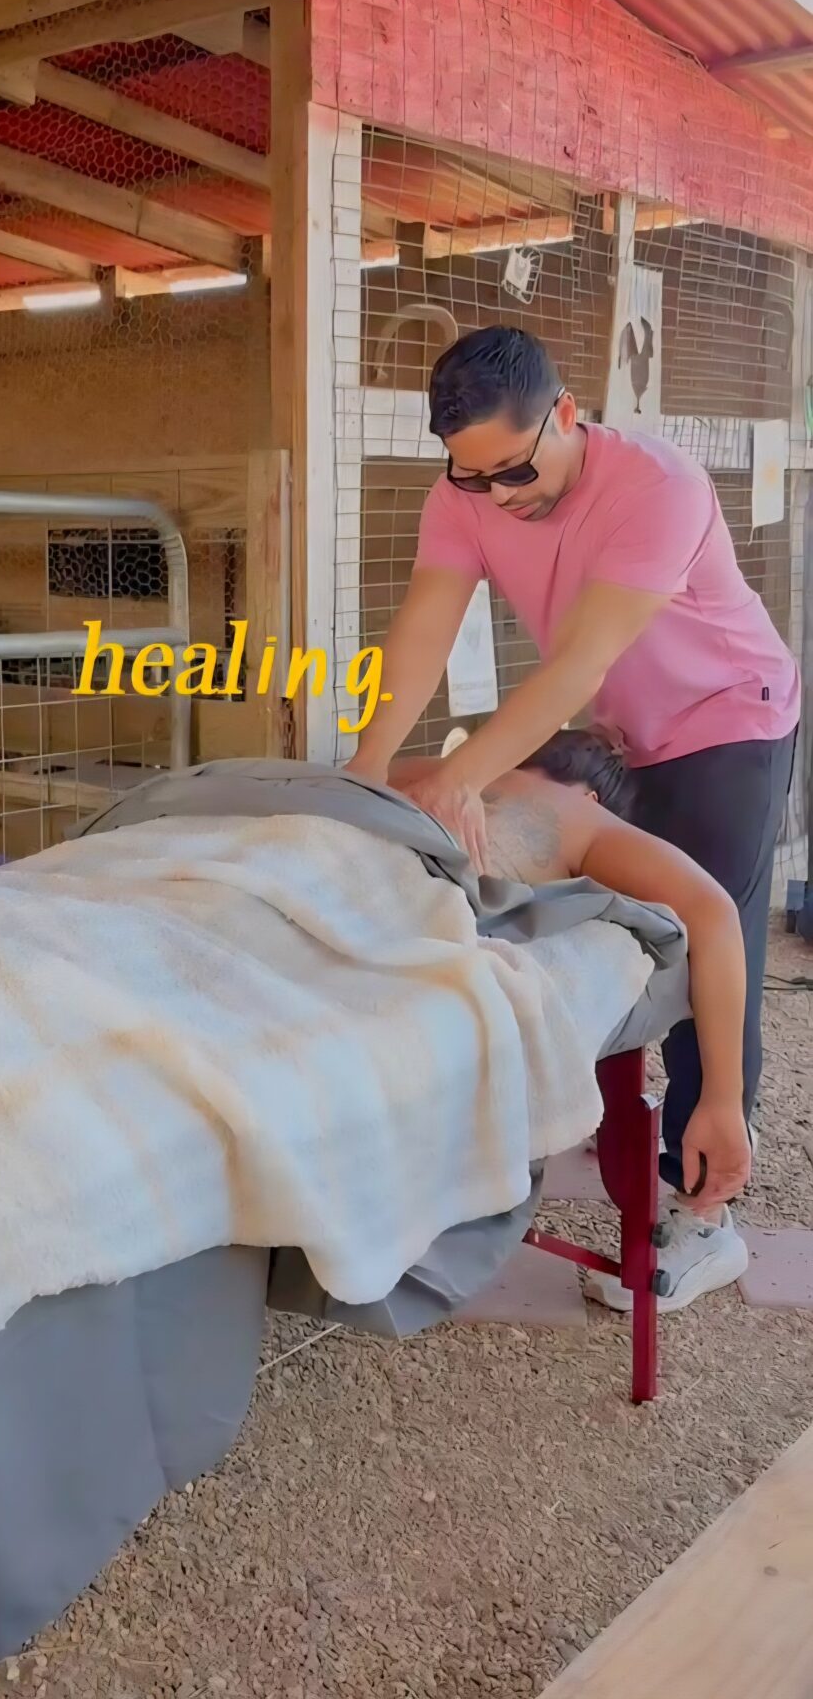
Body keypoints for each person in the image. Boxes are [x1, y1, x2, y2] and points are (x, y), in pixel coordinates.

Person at [348, 326, 799, 1312]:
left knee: (697, 933)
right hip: (613, 732)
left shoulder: (657, 487)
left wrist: (462, 775)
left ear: (565, 412)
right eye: (472, 479)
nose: (498, 497)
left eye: (513, 471)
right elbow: (421, 632)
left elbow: (572, 667)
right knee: (599, 917)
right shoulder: (463, 493)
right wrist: (368, 768)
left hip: (726, 717)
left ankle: (706, 1205)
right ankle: (595, 1103)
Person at [393, 725, 753, 1304]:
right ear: (594, 798)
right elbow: (713, 912)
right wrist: (723, 1100)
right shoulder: (578, 813)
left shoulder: (417, 770)